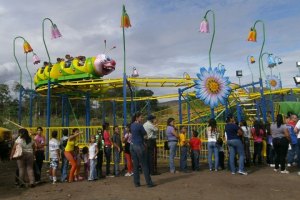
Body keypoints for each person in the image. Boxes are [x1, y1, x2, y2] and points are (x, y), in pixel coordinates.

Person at [130, 112, 155, 187]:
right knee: (144, 165)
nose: (142, 118)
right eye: (141, 117)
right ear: (137, 118)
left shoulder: (132, 125)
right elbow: (145, 135)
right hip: (139, 146)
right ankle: (149, 183)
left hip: (132, 146)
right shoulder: (140, 125)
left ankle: (136, 183)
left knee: (136, 165)